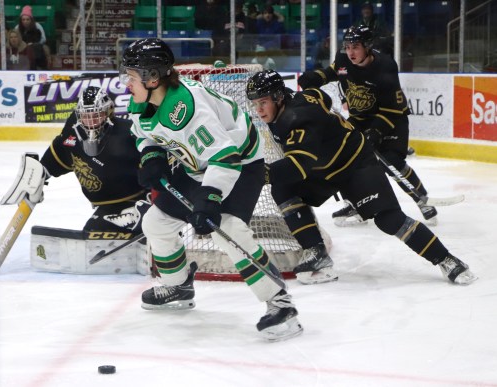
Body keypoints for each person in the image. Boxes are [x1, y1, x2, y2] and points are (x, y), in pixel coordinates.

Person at [119, 38, 303, 342]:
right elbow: (142, 133)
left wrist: (210, 197)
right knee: (156, 222)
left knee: (228, 228)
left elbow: (226, 157)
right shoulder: (143, 101)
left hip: (241, 163)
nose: (127, 82)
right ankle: (179, 286)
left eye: (132, 75)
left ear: (153, 78)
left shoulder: (187, 111)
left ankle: (280, 303)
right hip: (198, 164)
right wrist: (151, 155)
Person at [246, 69, 478, 286]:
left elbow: (298, 167)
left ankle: (446, 259)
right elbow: (321, 96)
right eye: (255, 104)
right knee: (283, 188)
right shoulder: (296, 102)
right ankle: (316, 253)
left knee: (389, 220)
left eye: (263, 102)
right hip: (324, 169)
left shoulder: (296, 118)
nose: (259, 110)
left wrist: (254, 175)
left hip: (355, 165)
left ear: (278, 97)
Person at [297, 25, 438, 227]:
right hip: (360, 118)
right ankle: (355, 203)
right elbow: (332, 72)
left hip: (391, 118)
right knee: (344, 157)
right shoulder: (344, 58)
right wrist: (315, 77)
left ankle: (421, 198)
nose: (350, 52)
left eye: (355, 46)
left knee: (391, 161)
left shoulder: (385, 66)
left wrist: (375, 132)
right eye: (347, 46)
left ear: (368, 46)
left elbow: (391, 109)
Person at [38, 86, 150, 234]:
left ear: (108, 112)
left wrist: (152, 202)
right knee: (92, 232)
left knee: (93, 232)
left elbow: (154, 166)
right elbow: (59, 155)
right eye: (86, 116)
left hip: (136, 202)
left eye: (96, 115)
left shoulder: (128, 133)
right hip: (107, 206)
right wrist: (38, 173)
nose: (90, 122)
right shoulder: (73, 133)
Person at [15, 5, 51, 70]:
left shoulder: (37, 26)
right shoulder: (17, 27)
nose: (25, 21)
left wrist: (33, 44)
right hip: (21, 46)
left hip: (35, 45)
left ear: (31, 20)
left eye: (27, 19)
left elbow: (43, 39)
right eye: (23, 20)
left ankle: (39, 67)